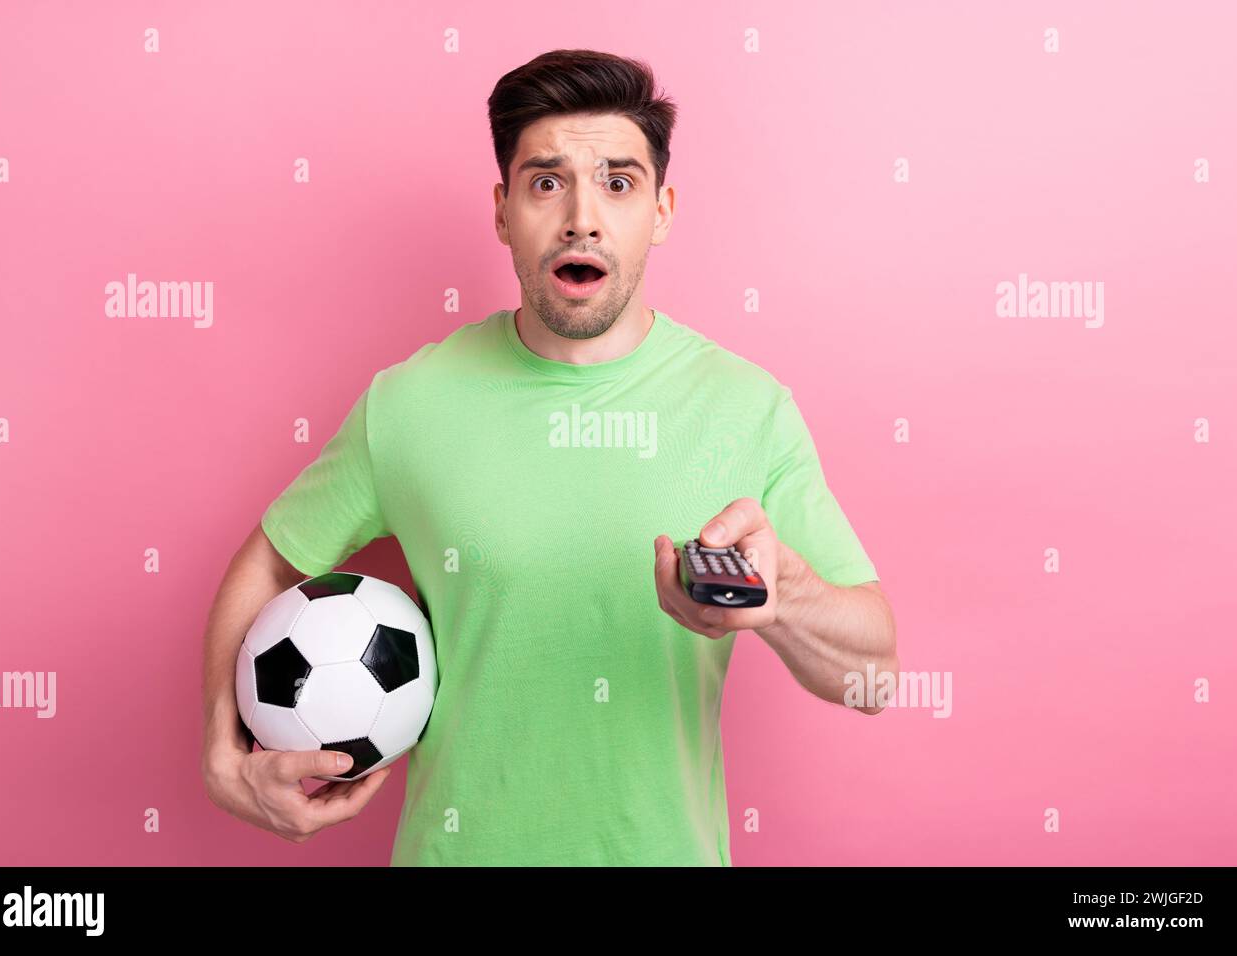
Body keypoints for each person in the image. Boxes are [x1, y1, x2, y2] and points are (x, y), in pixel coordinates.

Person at [201, 48, 898, 866]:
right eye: (545, 182)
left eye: (618, 182)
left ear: (662, 211)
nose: (582, 218)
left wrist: (785, 599)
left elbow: (876, 675)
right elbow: (269, 566)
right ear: (502, 212)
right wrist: (223, 751)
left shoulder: (749, 409)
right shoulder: (409, 404)